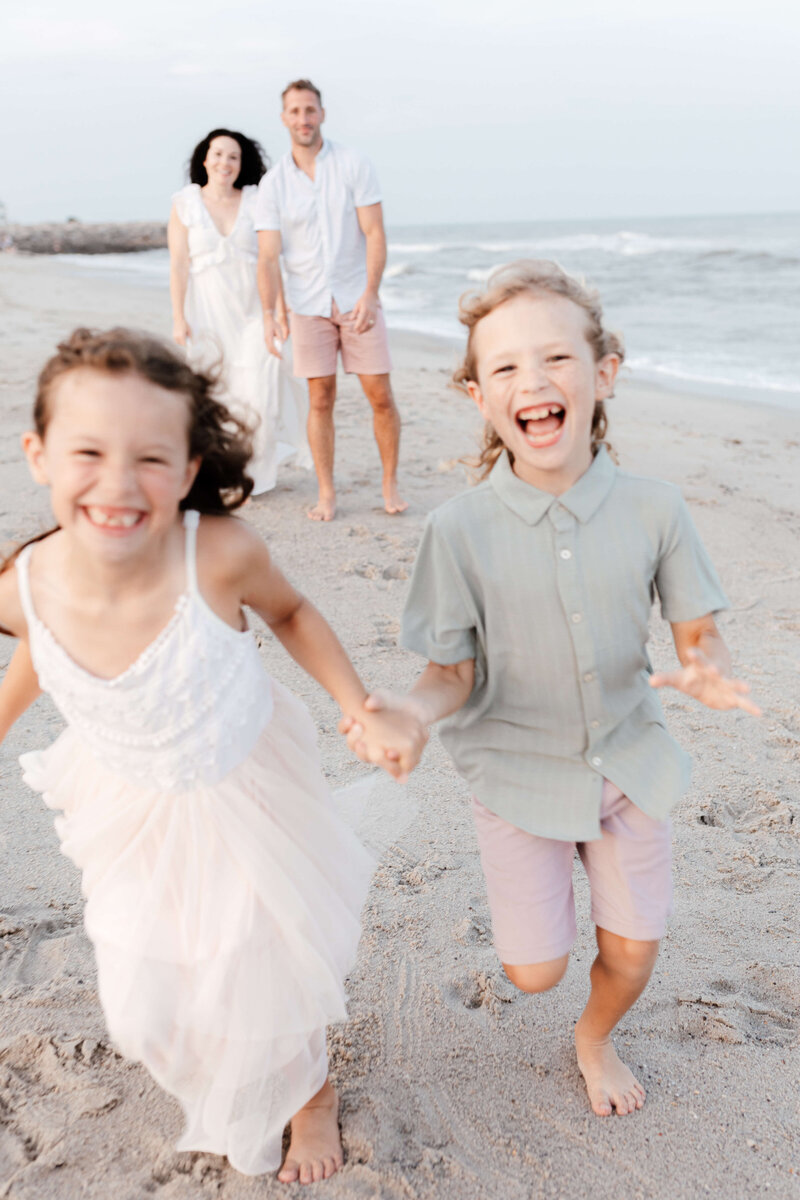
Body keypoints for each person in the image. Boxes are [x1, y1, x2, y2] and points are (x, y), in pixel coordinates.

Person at [0, 328, 425, 1183]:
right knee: (145, 998)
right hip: (127, 801)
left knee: (261, 957)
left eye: (151, 458)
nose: (119, 483)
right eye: (89, 451)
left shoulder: (218, 556)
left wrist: (357, 708)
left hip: (245, 783)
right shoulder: (24, 582)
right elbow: (39, 653)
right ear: (40, 455)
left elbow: (296, 614)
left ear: (190, 470)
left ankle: (310, 1093)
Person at [342, 260, 761, 1118]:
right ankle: (551, 959)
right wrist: (413, 715)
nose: (532, 381)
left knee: (635, 953)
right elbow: (448, 674)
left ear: (603, 373)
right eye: (504, 367)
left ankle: (595, 1036)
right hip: (515, 772)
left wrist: (707, 666)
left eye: (556, 359)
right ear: (478, 397)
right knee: (533, 972)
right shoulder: (456, 529)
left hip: (629, 765)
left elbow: (695, 631)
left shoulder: (656, 508)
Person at [255, 80, 406, 522]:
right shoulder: (273, 184)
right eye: (295, 111)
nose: (303, 119)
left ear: (322, 114)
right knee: (320, 399)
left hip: (357, 297)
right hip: (307, 303)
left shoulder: (354, 163)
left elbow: (375, 233)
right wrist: (271, 312)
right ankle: (326, 492)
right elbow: (268, 257)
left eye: (310, 110)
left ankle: (389, 482)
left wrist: (371, 295)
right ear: (284, 118)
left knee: (380, 395)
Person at [169, 128, 311, 495]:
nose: (225, 162)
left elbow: (271, 259)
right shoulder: (185, 203)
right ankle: (219, 470)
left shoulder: (256, 200)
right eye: (218, 154)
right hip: (206, 315)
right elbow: (179, 265)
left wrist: (281, 311)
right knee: (217, 394)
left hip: (253, 314)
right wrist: (178, 317)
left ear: (241, 164)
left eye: (233, 156)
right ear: (204, 160)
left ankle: (255, 475)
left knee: (258, 390)